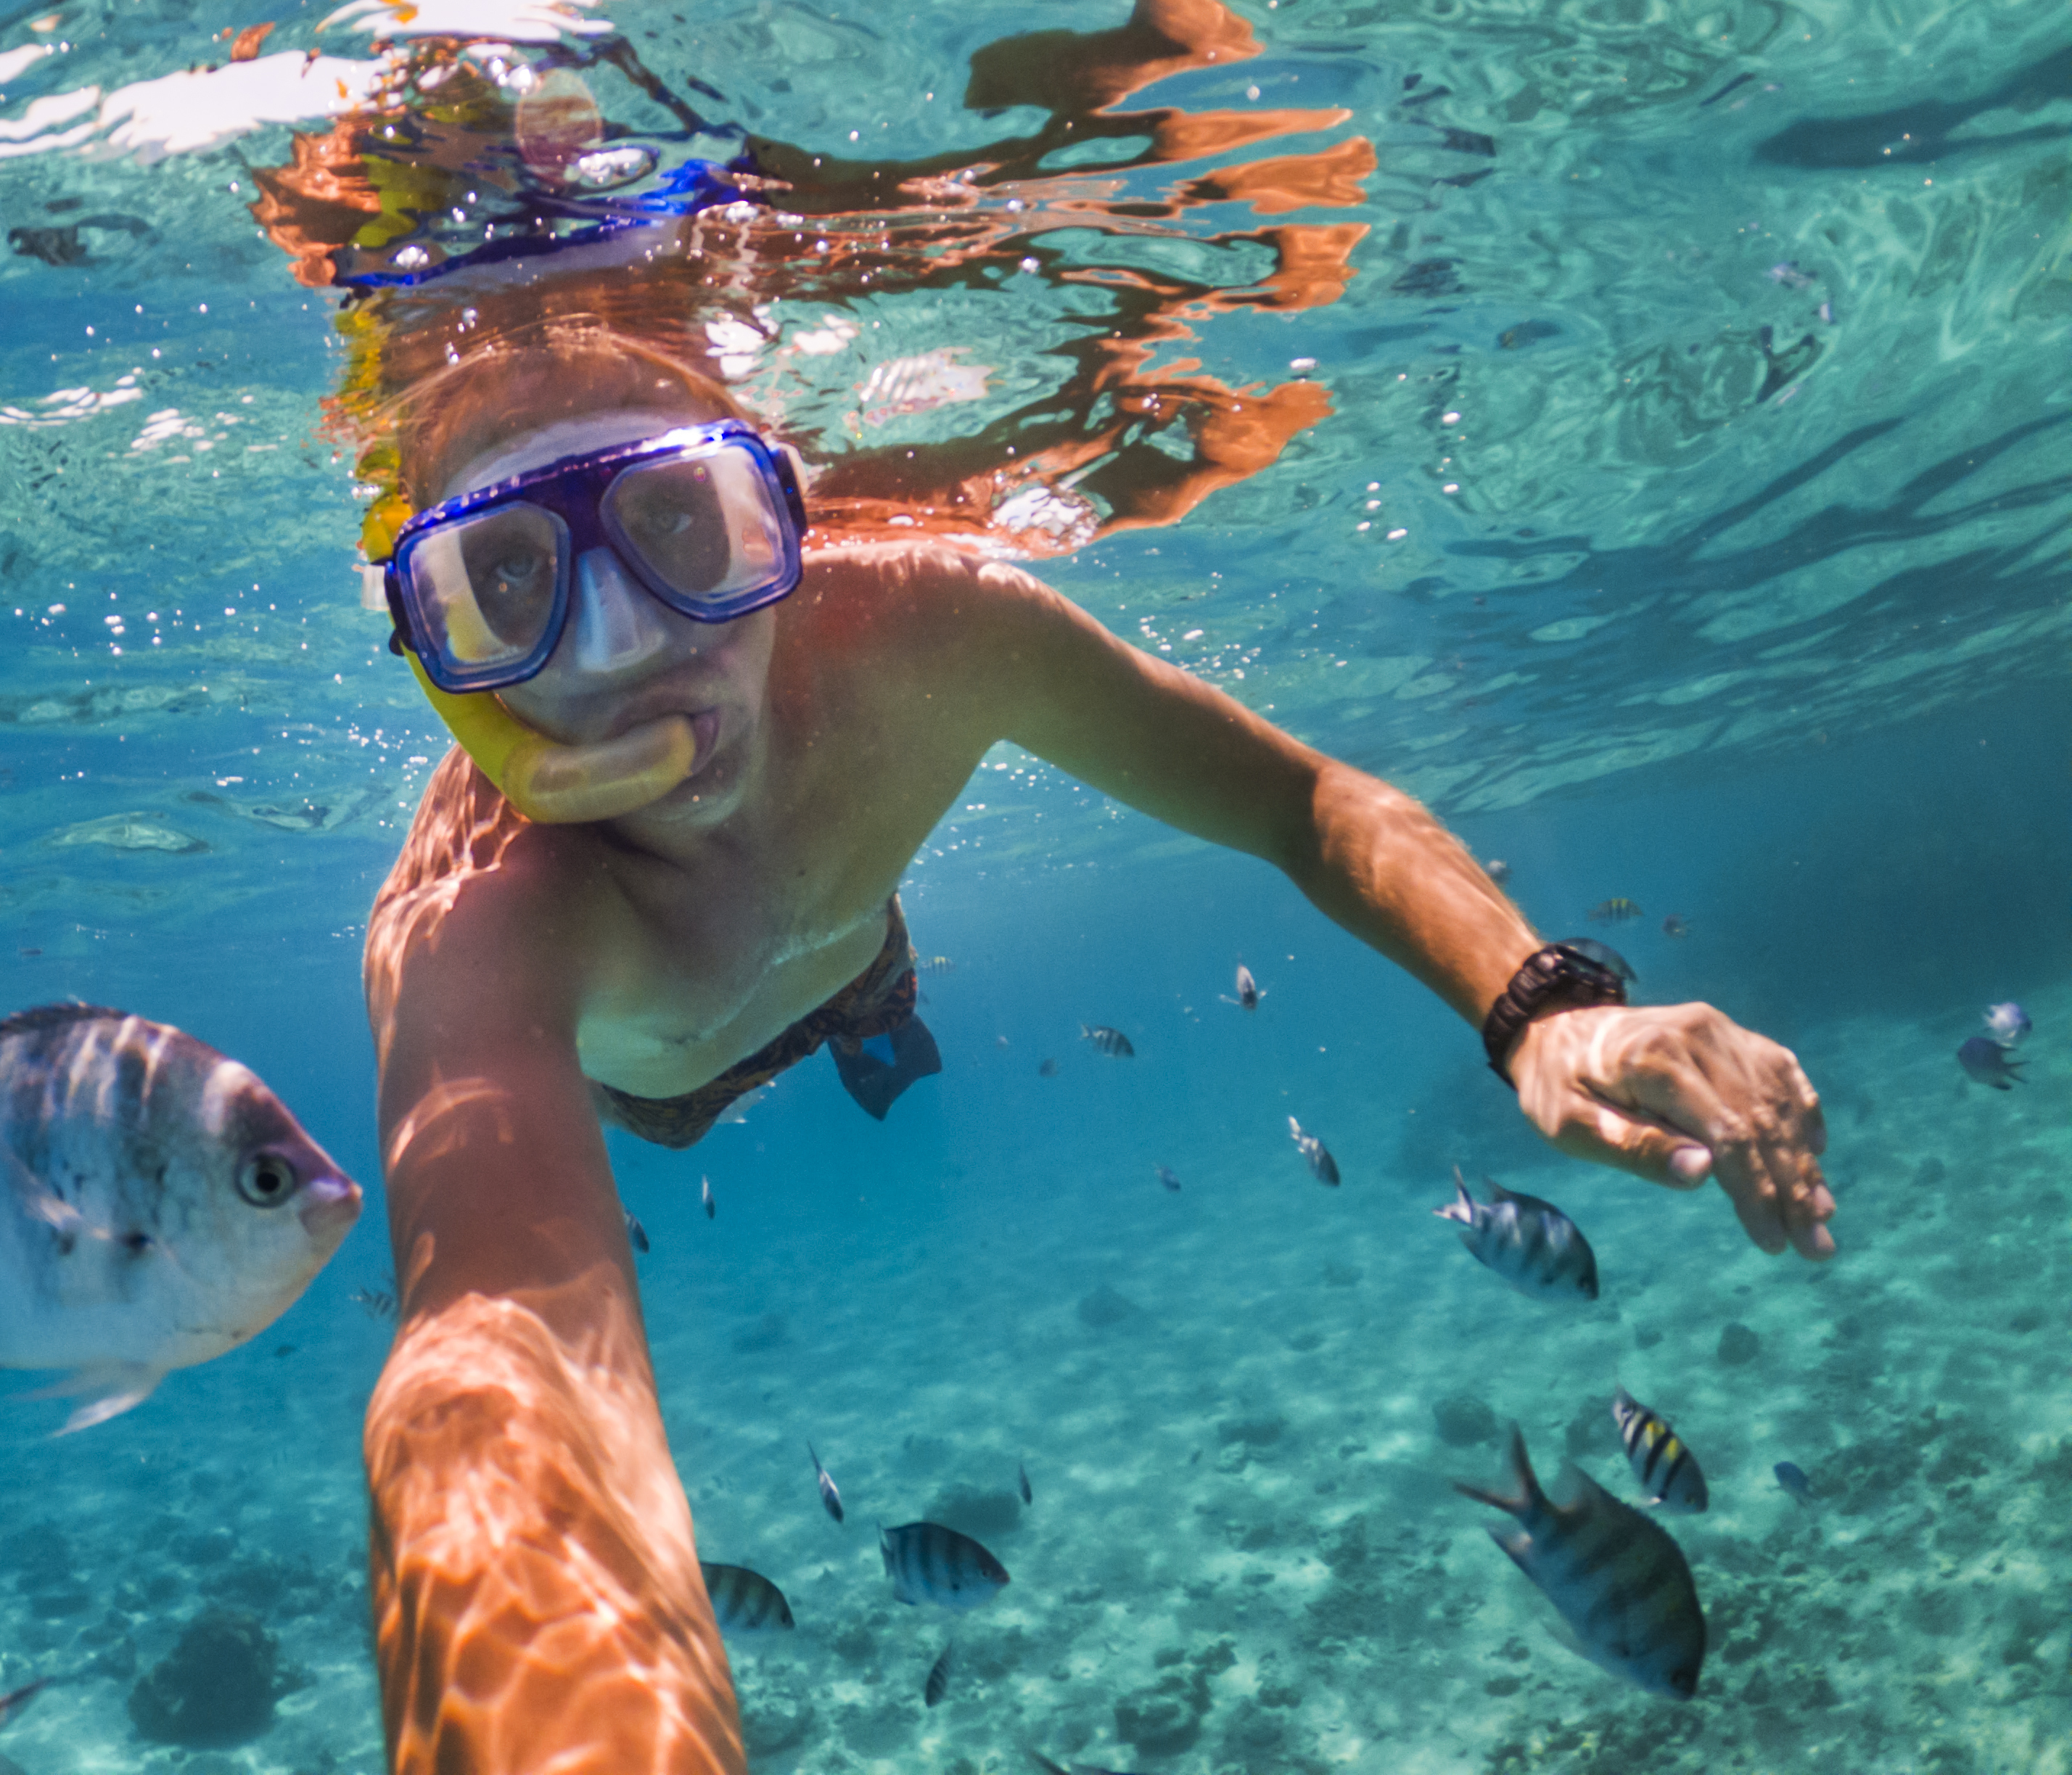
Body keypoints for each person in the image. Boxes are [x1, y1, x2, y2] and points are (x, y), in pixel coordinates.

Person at [351, 317, 1835, 1775]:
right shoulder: (482, 929)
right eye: (506, 582)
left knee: (868, 995)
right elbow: (507, 1348)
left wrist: (1537, 1005)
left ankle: (871, 1033)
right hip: (651, 1080)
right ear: (436, 652)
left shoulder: (932, 631)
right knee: (677, 1113)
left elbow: (1300, 805)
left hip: (852, 954)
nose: (621, 646)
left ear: (777, 515)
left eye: (680, 522)